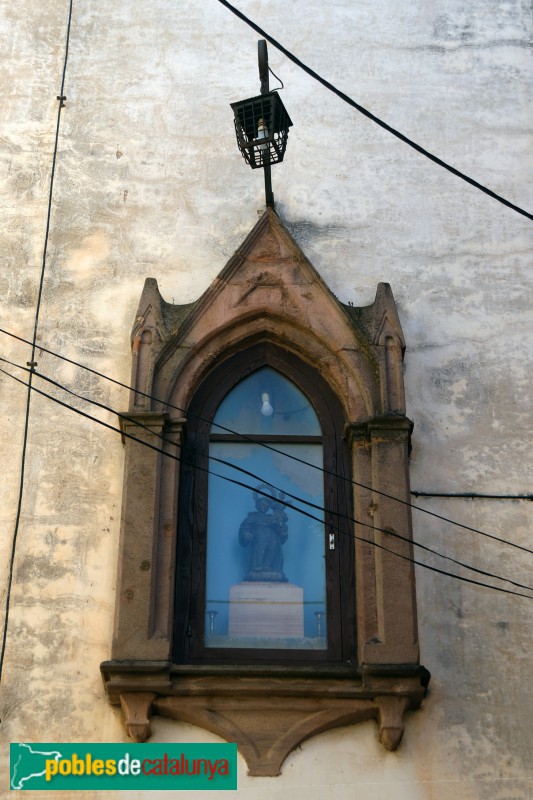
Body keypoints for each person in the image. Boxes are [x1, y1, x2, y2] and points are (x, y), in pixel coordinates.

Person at [238, 487, 289, 582]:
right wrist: (245, 534)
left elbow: (280, 530)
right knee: (261, 539)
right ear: (257, 505)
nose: (264, 506)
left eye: (266, 505)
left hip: (273, 540)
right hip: (259, 539)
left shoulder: (272, 518)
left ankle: (274, 568)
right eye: (262, 504)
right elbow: (244, 528)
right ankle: (257, 567)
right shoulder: (252, 517)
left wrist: (282, 532)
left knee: (274, 543)